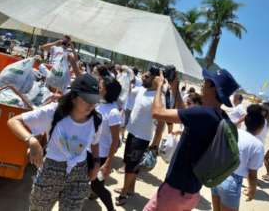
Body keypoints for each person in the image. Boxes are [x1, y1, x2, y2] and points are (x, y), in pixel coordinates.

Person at [143, 68, 239, 211]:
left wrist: (159, 87)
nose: (203, 83)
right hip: (192, 194)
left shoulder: (202, 114)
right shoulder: (219, 116)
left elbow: (157, 112)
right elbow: (186, 115)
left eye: (207, 81)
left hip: (174, 190)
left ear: (213, 87)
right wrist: (175, 89)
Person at [7, 74, 102, 211]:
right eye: (87, 100)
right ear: (74, 97)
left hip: (79, 173)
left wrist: (96, 163)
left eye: (95, 100)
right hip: (51, 169)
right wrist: (32, 141)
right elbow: (14, 121)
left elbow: (95, 142)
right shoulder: (54, 111)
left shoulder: (97, 120)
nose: (92, 105)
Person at [115, 66, 165, 206]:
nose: (144, 77)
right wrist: (128, 74)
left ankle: (123, 194)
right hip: (132, 132)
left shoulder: (159, 97)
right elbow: (128, 90)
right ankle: (130, 189)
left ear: (156, 80)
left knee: (130, 166)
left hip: (142, 137)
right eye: (144, 75)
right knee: (132, 164)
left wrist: (155, 143)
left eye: (148, 76)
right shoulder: (142, 89)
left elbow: (161, 124)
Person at [211, 104, 265, 211]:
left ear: (245, 122)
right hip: (232, 181)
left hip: (217, 174)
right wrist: (252, 190)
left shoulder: (234, 132)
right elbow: (252, 174)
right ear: (261, 127)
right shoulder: (257, 145)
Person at [89, 76, 122, 211]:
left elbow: (115, 140)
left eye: (100, 86)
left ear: (106, 91)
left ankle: (111, 209)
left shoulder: (113, 112)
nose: (98, 87)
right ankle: (93, 194)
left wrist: (108, 163)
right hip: (89, 150)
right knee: (89, 181)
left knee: (97, 185)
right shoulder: (99, 103)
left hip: (101, 155)